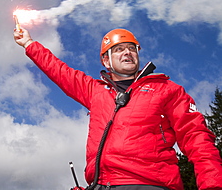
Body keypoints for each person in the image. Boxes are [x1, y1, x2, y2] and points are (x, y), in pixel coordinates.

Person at [13, 27, 222, 190]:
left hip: (148, 183)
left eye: (132, 48)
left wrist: (213, 185)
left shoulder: (167, 90)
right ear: (106, 59)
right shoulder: (94, 90)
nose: (127, 53)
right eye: (119, 49)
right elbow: (59, 70)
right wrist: (29, 43)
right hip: (100, 184)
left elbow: (197, 138)